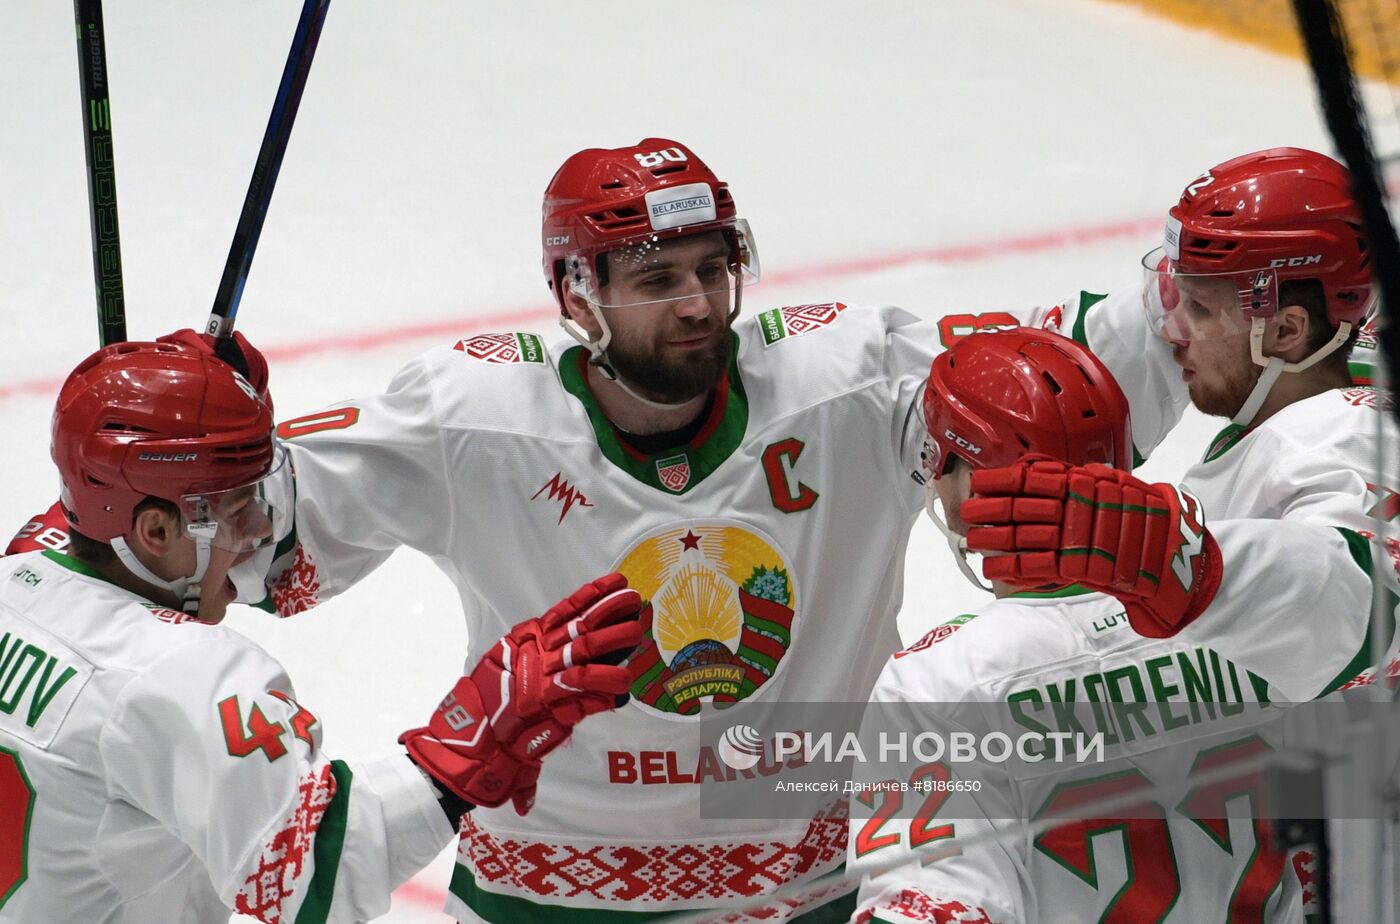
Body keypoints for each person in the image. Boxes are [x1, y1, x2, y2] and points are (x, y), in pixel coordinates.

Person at [0, 341, 645, 923]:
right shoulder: (178, 679)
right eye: (234, 511)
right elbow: (314, 877)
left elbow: (87, 506)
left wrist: (173, 396)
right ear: (157, 532)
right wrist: (468, 743)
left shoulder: (22, 572)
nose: (259, 533)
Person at [848, 327, 1370, 923]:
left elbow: (930, 909)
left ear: (973, 486)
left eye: (937, 457)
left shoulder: (937, 686)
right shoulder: (1248, 620)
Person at [961, 147, 1398, 693]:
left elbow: (1363, 602)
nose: (1170, 331)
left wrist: (1186, 559)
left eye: (1200, 309)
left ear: (1287, 331)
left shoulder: (1338, 438)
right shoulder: (1331, 366)